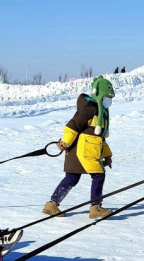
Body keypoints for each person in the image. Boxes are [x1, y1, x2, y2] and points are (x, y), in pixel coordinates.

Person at [43, 75, 115, 219]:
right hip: (82, 150)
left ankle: (52, 204)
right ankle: (95, 207)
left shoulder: (102, 113)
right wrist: (65, 142)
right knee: (98, 175)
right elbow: (73, 126)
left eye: (111, 97)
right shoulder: (90, 109)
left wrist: (107, 155)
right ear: (99, 94)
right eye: (107, 96)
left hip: (83, 150)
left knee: (72, 177)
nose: (110, 100)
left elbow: (99, 138)